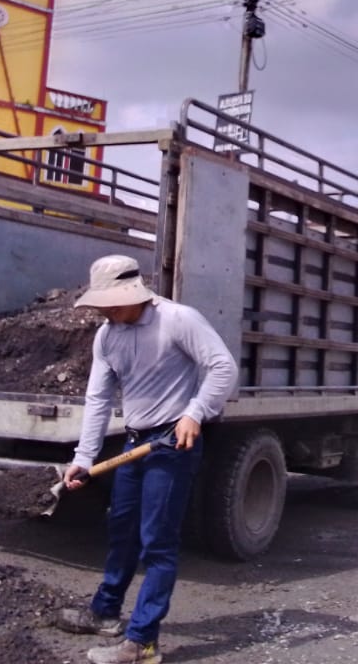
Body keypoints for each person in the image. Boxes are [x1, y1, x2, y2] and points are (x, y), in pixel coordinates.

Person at [57, 254, 238, 664]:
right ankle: (105, 612)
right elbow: (98, 399)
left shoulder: (178, 320)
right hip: (134, 444)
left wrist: (195, 412)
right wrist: (84, 456)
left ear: (134, 292)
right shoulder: (107, 336)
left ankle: (143, 642)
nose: (105, 311)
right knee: (121, 530)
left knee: (157, 542)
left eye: (112, 302)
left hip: (172, 444)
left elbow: (222, 367)